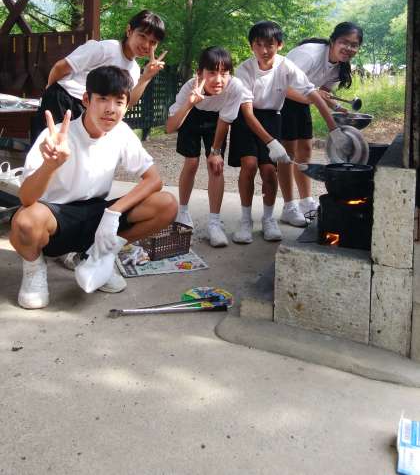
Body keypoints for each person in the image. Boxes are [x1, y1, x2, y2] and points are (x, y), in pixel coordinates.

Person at [10, 65, 178, 310]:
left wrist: (113, 213)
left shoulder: (121, 133)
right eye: (103, 99)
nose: (111, 109)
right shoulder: (55, 136)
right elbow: (26, 198)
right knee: (25, 221)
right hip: (56, 219)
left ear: (126, 105)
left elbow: (154, 180)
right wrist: (50, 165)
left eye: (119, 102)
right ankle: (34, 269)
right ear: (86, 100)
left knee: (166, 204)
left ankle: (99, 255)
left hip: (98, 215)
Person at [228, 20, 350, 243]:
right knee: (250, 165)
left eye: (270, 45)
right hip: (246, 120)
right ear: (251, 46)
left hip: (272, 118)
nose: (264, 51)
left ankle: (268, 219)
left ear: (280, 45)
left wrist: (334, 130)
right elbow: (247, 113)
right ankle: (245, 221)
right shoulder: (244, 69)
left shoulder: (286, 66)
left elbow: (313, 94)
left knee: (269, 171)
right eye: (258, 45)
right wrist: (271, 142)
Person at [31, 9, 167, 142]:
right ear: (129, 31)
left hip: (90, 111)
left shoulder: (134, 70)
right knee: (50, 149)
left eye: (153, 42)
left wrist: (146, 77)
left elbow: (127, 103)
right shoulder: (105, 48)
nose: (146, 45)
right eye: (142, 36)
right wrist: (49, 92)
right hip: (63, 100)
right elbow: (60, 67)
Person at [278, 21, 363, 226]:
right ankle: (289, 207)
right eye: (344, 42)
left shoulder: (339, 65)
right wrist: (313, 97)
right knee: (287, 155)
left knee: (305, 150)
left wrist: (337, 107)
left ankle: (306, 202)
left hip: (302, 100)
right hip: (280, 99)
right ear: (333, 41)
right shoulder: (309, 55)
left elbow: (323, 91)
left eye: (354, 45)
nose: (349, 48)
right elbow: (281, 85)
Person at [166, 47, 243, 248]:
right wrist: (189, 103)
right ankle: (183, 212)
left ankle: (214, 223)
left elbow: (225, 120)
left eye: (224, 73)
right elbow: (170, 127)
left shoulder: (235, 87)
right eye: (212, 72)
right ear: (199, 73)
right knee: (191, 162)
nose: (218, 79)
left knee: (216, 167)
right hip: (192, 114)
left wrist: (215, 152)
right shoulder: (189, 87)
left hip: (217, 120)